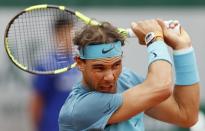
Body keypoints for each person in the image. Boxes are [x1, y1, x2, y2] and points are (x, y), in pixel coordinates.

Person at [58, 19, 200, 131]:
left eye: (116, 65)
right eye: (99, 68)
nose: (110, 77)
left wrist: (183, 48)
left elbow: (186, 115)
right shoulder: (79, 109)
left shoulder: (127, 79)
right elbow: (160, 87)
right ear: (80, 63)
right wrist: (154, 38)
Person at [29, 17, 81, 131]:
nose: (69, 37)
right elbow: (37, 99)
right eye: (65, 33)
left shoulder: (82, 62)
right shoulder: (46, 65)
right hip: (52, 126)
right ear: (57, 35)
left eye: (72, 32)